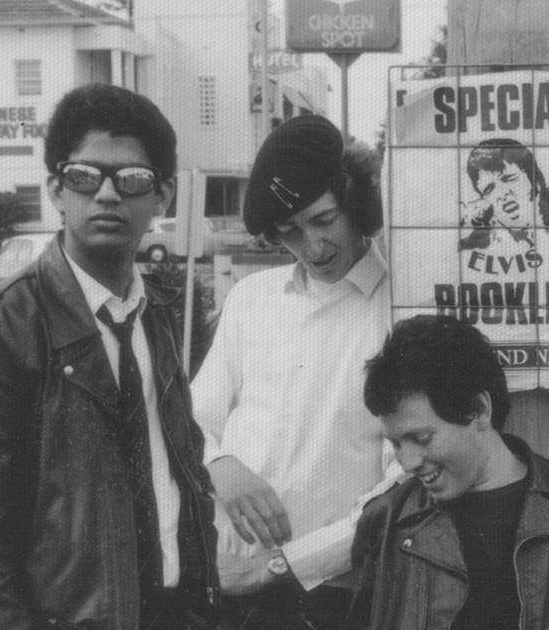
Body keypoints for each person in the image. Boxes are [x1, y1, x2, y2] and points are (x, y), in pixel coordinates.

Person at [0, 83, 221, 630]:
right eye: (84, 177)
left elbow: (182, 473)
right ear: (57, 189)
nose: (107, 195)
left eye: (131, 180)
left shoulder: (158, 314)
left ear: (164, 195)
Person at [191, 114, 396, 629]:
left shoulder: (402, 311)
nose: (313, 247)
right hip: (224, 579)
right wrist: (221, 466)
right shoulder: (250, 299)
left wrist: (287, 566)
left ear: (357, 203)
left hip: (335, 594)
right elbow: (191, 417)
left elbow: (402, 481)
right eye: (289, 233)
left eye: (324, 220)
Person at [346, 314, 549, 630]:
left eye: (421, 439)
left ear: (478, 410)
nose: (408, 462)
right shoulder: (384, 522)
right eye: (396, 443)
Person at [458, 138, 549, 253]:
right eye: (489, 190)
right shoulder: (484, 245)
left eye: (508, 179)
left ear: (534, 183)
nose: (502, 196)